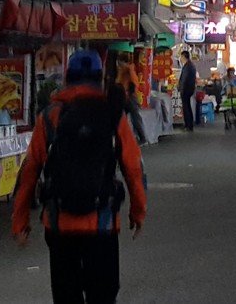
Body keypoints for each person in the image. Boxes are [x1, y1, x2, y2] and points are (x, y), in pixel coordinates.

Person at [13, 49, 147, 304]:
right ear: (100, 78)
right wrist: (138, 212)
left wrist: (20, 221)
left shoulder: (50, 116)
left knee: (66, 296)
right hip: (103, 223)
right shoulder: (111, 113)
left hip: (60, 224)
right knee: (103, 295)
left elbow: (30, 170)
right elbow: (133, 167)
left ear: (67, 78)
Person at [113, 53, 146, 145]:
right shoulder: (124, 71)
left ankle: (142, 137)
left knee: (134, 118)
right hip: (126, 96)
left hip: (129, 97)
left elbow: (134, 82)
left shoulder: (129, 70)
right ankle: (138, 137)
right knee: (129, 118)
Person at [178, 50, 198, 132]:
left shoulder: (187, 66)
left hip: (186, 89)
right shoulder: (190, 65)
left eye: (181, 56)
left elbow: (184, 79)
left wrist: (181, 88)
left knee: (186, 107)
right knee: (188, 107)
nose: (180, 58)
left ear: (183, 56)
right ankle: (189, 125)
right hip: (189, 89)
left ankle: (188, 125)